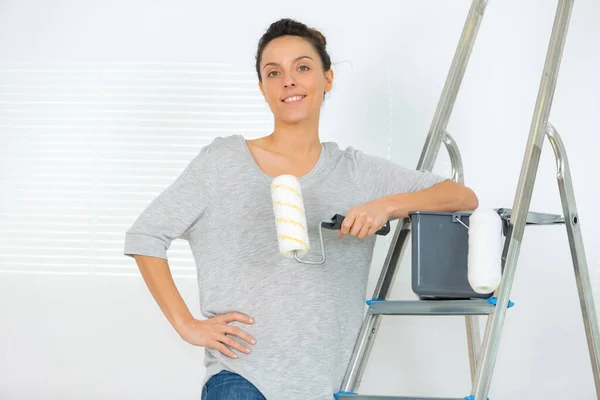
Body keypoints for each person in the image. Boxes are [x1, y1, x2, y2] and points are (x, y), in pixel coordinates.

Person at [124, 18, 478, 400]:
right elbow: (146, 235)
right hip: (244, 378)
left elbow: (461, 197)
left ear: (327, 79)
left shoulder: (356, 171)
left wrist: (388, 205)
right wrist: (187, 325)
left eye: (303, 67)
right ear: (263, 88)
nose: (289, 81)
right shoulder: (222, 161)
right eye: (274, 72)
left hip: (331, 385)